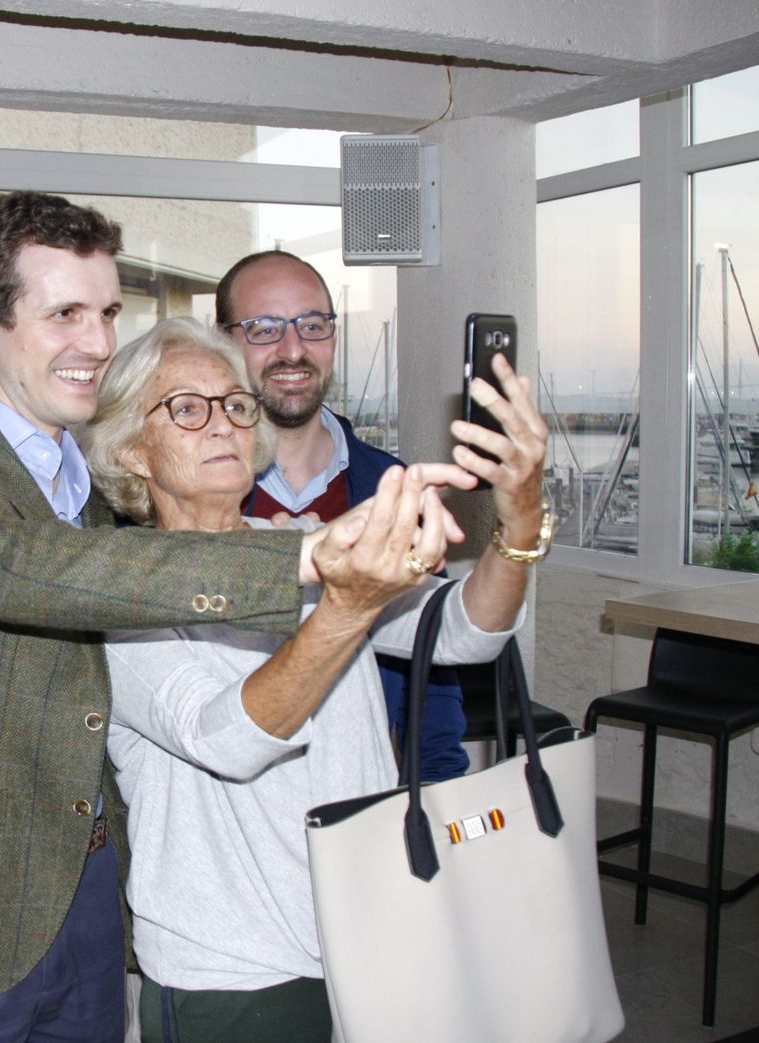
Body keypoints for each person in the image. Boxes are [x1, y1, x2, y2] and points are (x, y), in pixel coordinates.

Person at [0, 191, 360, 1040]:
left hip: (86, 905)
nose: (98, 342)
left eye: (106, 311)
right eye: (64, 312)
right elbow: (16, 567)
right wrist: (308, 556)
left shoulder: (94, 499)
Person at [80, 317, 548, 1040]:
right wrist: (347, 607)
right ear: (131, 450)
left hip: (371, 924)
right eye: (186, 407)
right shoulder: (121, 590)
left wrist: (518, 523)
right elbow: (230, 737)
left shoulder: (299, 550)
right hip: (237, 968)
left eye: (237, 404)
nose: (223, 425)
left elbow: (464, 633)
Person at [217, 249, 471, 780]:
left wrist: (435, 791)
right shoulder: (184, 495)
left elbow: (432, 676)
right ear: (222, 343)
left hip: (363, 803)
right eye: (264, 328)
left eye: (313, 325)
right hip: (230, 809)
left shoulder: (389, 487)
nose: (293, 350)